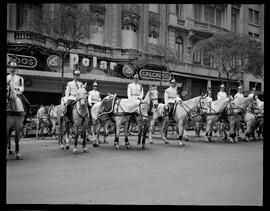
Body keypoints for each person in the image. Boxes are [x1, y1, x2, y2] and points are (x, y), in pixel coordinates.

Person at [7, 60, 30, 124]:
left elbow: (22, 88)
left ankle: (25, 119)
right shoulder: (7, 77)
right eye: (11, 67)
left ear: (16, 69)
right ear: (9, 68)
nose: (12, 69)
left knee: (27, 104)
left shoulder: (20, 78)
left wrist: (15, 88)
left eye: (14, 68)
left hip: (17, 94)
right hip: (7, 93)